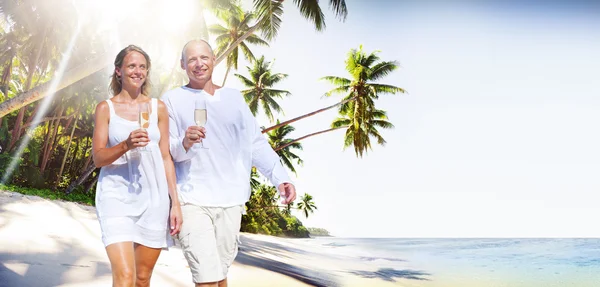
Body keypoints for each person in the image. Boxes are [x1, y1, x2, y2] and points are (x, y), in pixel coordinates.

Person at [161, 39, 297, 287]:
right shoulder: (171, 99)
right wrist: (185, 143)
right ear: (182, 64)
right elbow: (168, 153)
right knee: (207, 279)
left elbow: (255, 143)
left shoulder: (234, 99)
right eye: (191, 59)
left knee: (220, 275)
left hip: (231, 203)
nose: (199, 64)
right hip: (192, 200)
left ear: (214, 60)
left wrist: (281, 178)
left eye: (204, 58)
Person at [92, 44, 183, 287]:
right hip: (116, 196)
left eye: (143, 67)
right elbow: (98, 158)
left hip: (154, 199)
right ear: (118, 71)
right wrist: (125, 145)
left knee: (142, 279)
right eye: (131, 65)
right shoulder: (105, 108)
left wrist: (175, 203)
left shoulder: (157, 108)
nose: (138, 71)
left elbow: (165, 157)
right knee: (125, 277)